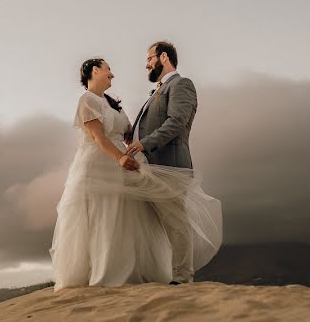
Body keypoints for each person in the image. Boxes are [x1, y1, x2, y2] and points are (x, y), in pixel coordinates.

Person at [50, 57, 221, 290]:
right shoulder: (87, 100)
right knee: (103, 214)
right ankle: (103, 272)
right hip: (99, 164)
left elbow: (131, 132)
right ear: (95, 70)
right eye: (108, 69)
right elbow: (98, 137)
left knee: (126, 214)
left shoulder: (111, 103)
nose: (112, 74)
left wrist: (135, 147)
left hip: (124, 163)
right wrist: (120, 157)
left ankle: (146, 270)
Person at [125, 41, 199, 283]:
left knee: (176, 221)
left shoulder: (181, 85)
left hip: (170, 166)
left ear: (163, 57)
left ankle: (182, 277)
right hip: (149, 167)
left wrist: (144, 143)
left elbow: (176, 122)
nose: (146, 64)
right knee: (149, 223)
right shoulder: (157, 90)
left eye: (149, 58)